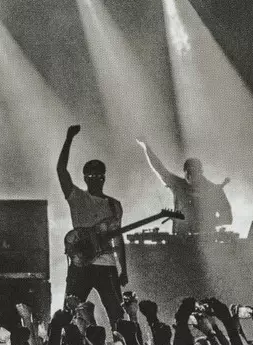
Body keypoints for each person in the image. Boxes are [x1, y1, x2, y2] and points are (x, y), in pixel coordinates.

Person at [57, 125, 128, 327]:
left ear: (104, 178)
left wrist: (123, 269)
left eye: (98, 176)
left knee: (116, 313)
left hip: (106, 265)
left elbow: (118, 239)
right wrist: (68, 139)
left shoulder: (114, 205)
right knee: (70, 313)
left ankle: (123, 341)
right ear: (85, 178)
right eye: (91, 176)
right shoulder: (77, 197)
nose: (95, 180)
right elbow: (61, 170)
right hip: (81, 264)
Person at [136, 139, 232, 235]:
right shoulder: (178, 185)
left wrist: (208, 222)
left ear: (201, 172)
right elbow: (159, 169)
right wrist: (146, 147)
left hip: (207, 239)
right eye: (188, 172)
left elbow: (228, 218)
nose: (190, 176)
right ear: (184, 172)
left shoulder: (214, 190)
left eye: (194, 172)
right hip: (180, 239)